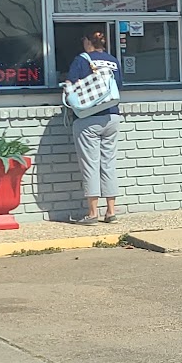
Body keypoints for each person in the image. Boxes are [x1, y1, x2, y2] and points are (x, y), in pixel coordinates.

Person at [63, 28, 122, 224]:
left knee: (90, 165)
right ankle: (111, 211)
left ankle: (92, 213)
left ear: (87, 42)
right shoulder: (112, 60)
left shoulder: (81, 59)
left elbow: (69, 86)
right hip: (112, 116)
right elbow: (119, 85)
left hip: (88, 118)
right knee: (108, 164)